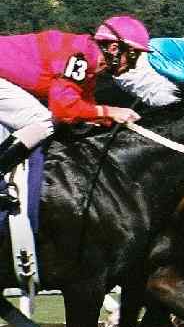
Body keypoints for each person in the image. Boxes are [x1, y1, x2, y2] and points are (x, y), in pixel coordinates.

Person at [0, 16, 150, 213]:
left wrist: (109, 119)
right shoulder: (79, 57)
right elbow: (63, 109)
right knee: (43, 119)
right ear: (114, 48)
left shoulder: (89, 66)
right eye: (133, 55)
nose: (133, 64)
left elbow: (84, 108)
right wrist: (110, 111)